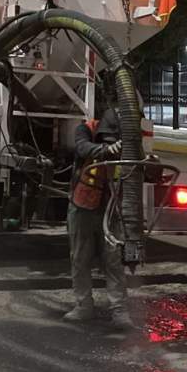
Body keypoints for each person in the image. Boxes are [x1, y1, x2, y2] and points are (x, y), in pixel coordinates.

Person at [64, 107, 132, 327]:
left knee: (114, 261)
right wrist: (105, 149)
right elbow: (83, 148)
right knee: (80, 258)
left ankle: (119, 311)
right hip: (83, 205)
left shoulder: (128, 138)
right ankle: (83, 306)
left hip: (111, 207)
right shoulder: (85, 129)